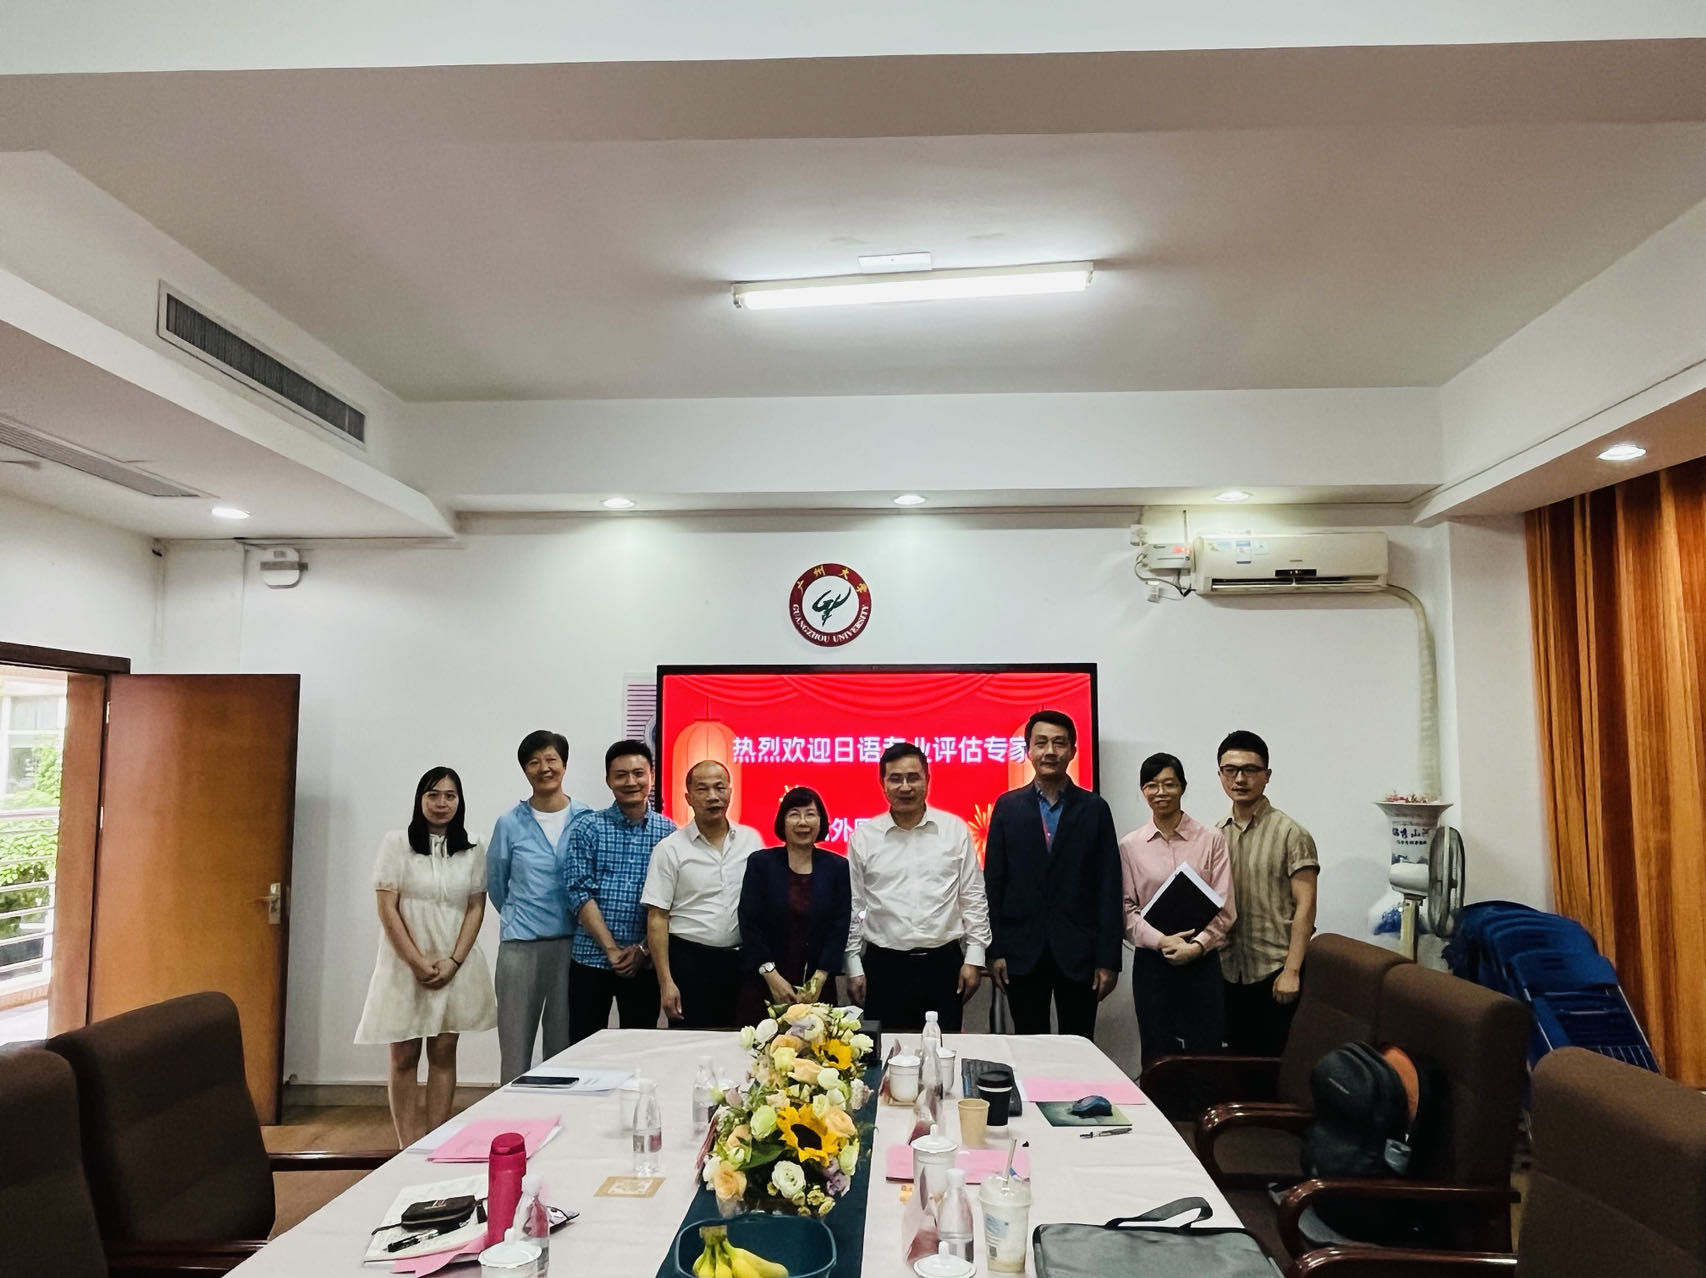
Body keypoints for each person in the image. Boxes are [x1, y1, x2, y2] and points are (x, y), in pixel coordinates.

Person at [355, 766, 497, 1145]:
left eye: (450, 796)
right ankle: (407, 1146)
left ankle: (435, 1142)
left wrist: (454, 961)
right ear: (420, 799)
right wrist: (417, 962)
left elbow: (475, 907)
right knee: (403, 1055)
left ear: (459, 801)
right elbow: (387, 908)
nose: (441, 803)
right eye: (433, 795)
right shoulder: (396, 843)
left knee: (444, 1052)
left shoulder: (474, 847)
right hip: (404, 965)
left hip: (455, 964)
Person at [984, 710, 1123, 1038]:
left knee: (1079, 1043)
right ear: (1028, 750)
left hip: (1080, 952)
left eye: (1059, 743)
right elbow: (994, 884)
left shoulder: (1094, 808)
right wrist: (995, 950)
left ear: (1073, 751)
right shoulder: (1007, 807)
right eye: (1041, 742)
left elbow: (1109, 886)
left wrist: (1108, 959)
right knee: (1029, 1043)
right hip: (1021, 952)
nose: (1050, 751)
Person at [845, 741, 991, 1032]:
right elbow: (853, 905)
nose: (905, 787)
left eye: (913, 777)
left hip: (944, 965)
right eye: (895, 779)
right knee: (886, 1052)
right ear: (882, 783)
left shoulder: (953, 830)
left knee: (944, 1049)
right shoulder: (864, 837)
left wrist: (975, 957)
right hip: (883, 967)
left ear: (927, 780)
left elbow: (973, 897)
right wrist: (853, 964)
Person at [486, 730, 591, 1083]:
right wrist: (521, 916)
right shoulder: (509, 823)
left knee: (564, 1047)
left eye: (551, 759)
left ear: (564, 765)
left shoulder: (586, 819)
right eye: (534, 762)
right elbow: (497, 884)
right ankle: (510, 1113)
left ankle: (560, 1111)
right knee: (515, 1046)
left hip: (573, 946)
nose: (544, 768)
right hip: (520, 946)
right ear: (525, 770)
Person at [1118, 752, 1236, 1067]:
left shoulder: (1211, 839)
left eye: (1169, 784)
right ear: (1143, 790)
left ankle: (1203, 1101)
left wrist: (1196, 947)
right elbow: (1127, 910)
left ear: (1182, 787)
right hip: (1153, 964)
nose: (1161, 792)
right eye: (1152, 785)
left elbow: (1226, 907)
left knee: (1205, 1050)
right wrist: (1162, 941)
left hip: (1202, 961)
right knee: (1157, 1052)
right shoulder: (1130, 845)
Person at [1215, 729, 1320, 1056]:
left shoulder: (1292, 834)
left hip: (1275, 971)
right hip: (1229, 969)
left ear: (1267, 775)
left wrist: (1292, 970)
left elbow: (1306, 906)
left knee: (1273, 1065)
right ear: (1220, 775)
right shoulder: (1216, 835)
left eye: (1250, 769)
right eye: (1231, 770)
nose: (1240, 779)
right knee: (1233, 1064)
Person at [564, 739, 676, 1044]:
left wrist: (643, 949)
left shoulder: (669, 833)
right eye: (621, 775)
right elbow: (578, 893)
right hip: (591, 959)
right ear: (608, 780)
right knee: (583, 1048)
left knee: (638, 1048)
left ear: (651, 776)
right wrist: (611, 949)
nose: (630, 782)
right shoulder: (588, 827)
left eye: (638, 773)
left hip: (645, 963)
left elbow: (673, 903)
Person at [641, 760, 763, 1028]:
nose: (712, 796)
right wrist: (665, 981)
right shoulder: (670, 849)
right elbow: (657, 917)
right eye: (702, 789)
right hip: (690, 964)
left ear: (730, 792)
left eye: (719, 787)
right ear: (688, 798)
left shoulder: (751, 841)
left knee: (744, 1042)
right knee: (691, 1043)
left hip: (742, 964)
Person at [737, 786, 852, 1023]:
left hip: (818, 986)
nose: (803, 822)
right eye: (794, 814)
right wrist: (771, 976)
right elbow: (749, 922)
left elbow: (839, 926)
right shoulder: (761, 864)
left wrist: (819, 978)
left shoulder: (837, 867)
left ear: (821, 821)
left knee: (817, 1042)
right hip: (765, 983)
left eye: (810, 814)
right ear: (782, 821)